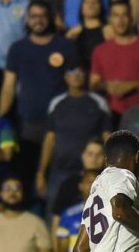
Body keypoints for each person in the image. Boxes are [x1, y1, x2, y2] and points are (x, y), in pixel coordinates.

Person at [0, 0, 79, 187]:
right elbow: (8, 87)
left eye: (43, 16)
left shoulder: (66, 45)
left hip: (59, 124)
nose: (39, 20)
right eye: (34, 16)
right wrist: (0, 119)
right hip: (27, 124)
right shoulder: (18, 48)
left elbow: (76, 81)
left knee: (55, 174)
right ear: (27, 20)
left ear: (50, 18)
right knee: (26, 174)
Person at [37, 65, 112, 212]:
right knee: (55, 212)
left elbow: (107, 138)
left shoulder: (98, 102)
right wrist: (41, 172)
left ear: (86, 75)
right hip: (60, 170)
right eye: (72, 71)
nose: (76, 75)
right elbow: (49, 139)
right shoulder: (57, 103)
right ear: (66, 76)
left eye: (80, 71)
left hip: (92, 172)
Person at [90, 0, 139, 118]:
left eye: (124, 15)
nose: (120, 21)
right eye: (116, 16)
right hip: (109, 115)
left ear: (131, 18)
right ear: (110, 19)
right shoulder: (100, 50)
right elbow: (93, 83)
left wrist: (131, 85)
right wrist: (107, 86)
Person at [65, 0, 111, 70]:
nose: (91, 5)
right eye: (87, 2)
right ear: (81, 7)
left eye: (95, 2)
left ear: (101, 6)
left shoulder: (109, 31)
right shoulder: (73, 33)